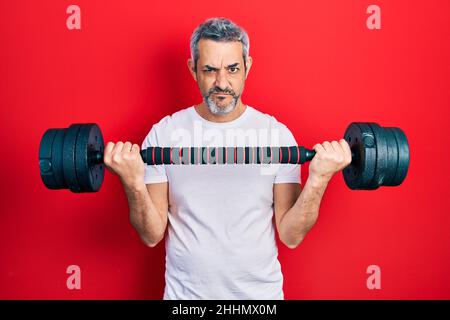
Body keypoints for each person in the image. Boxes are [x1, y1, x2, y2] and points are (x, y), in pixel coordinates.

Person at [103, 17, 352, 299]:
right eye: (209, 70)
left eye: (232, 69)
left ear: (248, 67)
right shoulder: (165, 134)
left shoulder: (276, 135)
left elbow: (291, 236)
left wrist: (319, 179)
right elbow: (151, 235)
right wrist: (133, 183)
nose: (222, 83)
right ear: (192, 69)